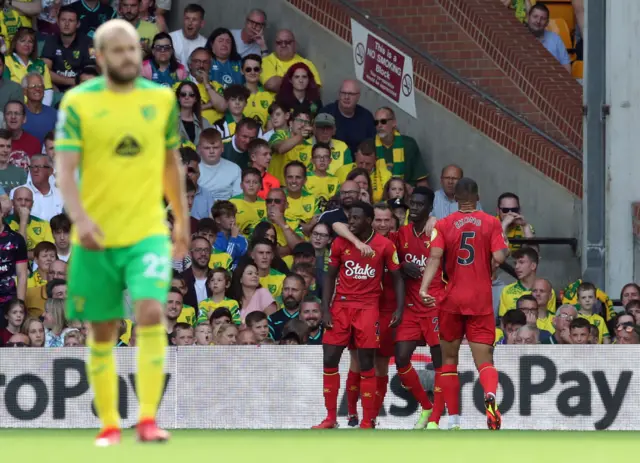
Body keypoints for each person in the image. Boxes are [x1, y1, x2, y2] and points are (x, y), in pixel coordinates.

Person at [55, 20, 189, 445]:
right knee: (102, 329)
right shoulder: (77, 102)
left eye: (133, 49)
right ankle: (109, 423)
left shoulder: (162, 98)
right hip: (95, 235)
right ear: (98, 56)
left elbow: (171, 164)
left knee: (150, 310)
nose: (128, 57)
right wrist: (81, 219)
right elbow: (65, 171)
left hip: (147, 230)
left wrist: (182, 219)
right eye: (117, 50)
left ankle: (148, 420)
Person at [419, 178, 509, 431]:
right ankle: (490, 396)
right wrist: (496, 258)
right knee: (485, 360)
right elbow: (500, 257)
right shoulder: (491, 222)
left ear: (456, 198)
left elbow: (435, 257)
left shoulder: (445, 224)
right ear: (477, 197)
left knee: (448, 360)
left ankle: (454, 420)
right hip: (480, 299)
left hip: (452, 299)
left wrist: (425, 288)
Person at [313, 201, 404, 430]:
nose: (350, 222)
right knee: (329, 359)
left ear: (368, 221)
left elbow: (397, 278)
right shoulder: (340, 243)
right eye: (349, 217)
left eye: (355, 218)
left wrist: (400, 308)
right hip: (341, 307)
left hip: (368, 308)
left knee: (366, 364)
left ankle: (367, 420)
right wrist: (325, 309)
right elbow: (330, 277)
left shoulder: (384, 246)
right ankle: (331, 417)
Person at [391, 187, 445, 429]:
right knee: (401, 359)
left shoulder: (439, 232)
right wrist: (403, 265)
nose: (414, 207)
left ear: (430, 208)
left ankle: (435, 418)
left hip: (435, 304)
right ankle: (426, 406)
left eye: (420, 204)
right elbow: (386, 258)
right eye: (412, 203)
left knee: (441, 362)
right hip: (412, 307)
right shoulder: (401, 234)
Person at [41, 6, 94, 92]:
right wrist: (72, 81)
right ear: (57, 22)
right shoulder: (50, 40)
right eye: (63, 20)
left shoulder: (90, 42)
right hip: (55, 87)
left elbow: (91, 72)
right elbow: (44, 70)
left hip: (80, 88)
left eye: (71, 20)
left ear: (77, 24)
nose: (66, 24)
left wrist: (75, 86)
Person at [374, 107, 428, 186]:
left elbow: (421, 181)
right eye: (376, 122)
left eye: (383, 121)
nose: (379, 125)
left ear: (394, 123)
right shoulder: (370, 145)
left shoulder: (409, 144)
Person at [319, 80, 376, 154]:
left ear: (358, 96)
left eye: (351, 94)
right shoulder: (326, 114)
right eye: (343, 93)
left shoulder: (366, 117)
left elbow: (371, 146)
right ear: (339, 94)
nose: (346, 97)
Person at [4, 28, 54, 106]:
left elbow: (48, 90)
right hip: (14, 107)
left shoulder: (41, 64)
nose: (26, 44)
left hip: (38, 107)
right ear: (15, 43)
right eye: (22, 41)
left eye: (30, 42)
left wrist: (41, 109)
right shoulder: (6, 61)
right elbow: (6, 89)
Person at [227, 258, 277, 323]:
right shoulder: (234, 299)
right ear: (241, 279)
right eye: (250, 273)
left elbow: (273, 322)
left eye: (256, 274)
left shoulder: (263, 293)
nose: (255, 276)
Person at [22, 73, 57, 144]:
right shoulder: (19, 113)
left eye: (40, 86)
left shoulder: (54, 114)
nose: (37, 89)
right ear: (24, 91)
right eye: (32, 86)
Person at [242, 54, 273, 129]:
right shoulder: (236, 94)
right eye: (248, 69)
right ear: (242, 71)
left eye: (256, 69)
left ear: (261, 70)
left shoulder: (268, 96)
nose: (252, 72)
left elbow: (270, 125)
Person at [176, 81, 211, 146]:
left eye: (191, 95)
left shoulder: (205, 123)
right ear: (178, 98)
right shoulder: (170, 122)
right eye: (183, 94)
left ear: (196, 99)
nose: (187, 97)